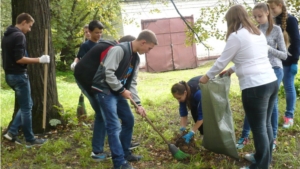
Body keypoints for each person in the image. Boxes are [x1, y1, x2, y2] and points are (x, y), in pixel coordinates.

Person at [199, 5, 278, 169]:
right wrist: (232, 70)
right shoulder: (257, 33)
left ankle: (261, 166)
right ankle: (262, 157)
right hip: (271, 81)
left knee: (258, 127)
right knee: (267, 124)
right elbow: (251, 57)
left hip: (255, 87)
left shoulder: (236, 36)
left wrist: (206, 77)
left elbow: (222, 60)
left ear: (232, 21)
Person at [92, 29, 158, 169]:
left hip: (118, 91)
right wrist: (122, 90)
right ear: (143, 42)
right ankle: (119, 162)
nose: (149, 51)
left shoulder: (136, 58)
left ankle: (126, 153)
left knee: (129, 120)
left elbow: (132, 82)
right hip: (105, 90)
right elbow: (107, 73)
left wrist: (138, 104)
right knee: (114, 126)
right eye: (149, 48)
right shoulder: (119, 50)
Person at [74, 35, 137, 161]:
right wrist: (99, 93)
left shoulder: (121, 50)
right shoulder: (112, 49)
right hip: (86, 79)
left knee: (105, 115)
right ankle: (97, 152)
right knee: (102, 114)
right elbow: (105, 72)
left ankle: (123, 147)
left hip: (100, 81)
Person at [236, 2, 287, 150]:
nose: (257, 19)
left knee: (272, 105)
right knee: (253, 105)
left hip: (275, 69)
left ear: (267, 14)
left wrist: (268, 48)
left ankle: (273, 139)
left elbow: (284, 55)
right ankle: (244, 136)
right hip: (259, 71)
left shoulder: (276, 30)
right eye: (255, 17)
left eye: (260, 16)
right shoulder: (255, 31)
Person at [1, 13, 49, 147]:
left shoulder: (7, 35)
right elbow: (19, 58)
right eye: (29, 26)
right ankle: (30, 139)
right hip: (19, 76)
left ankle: (12, 132)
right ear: (23, 22)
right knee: (27, 107)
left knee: (27, 105)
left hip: (10, 76)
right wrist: (40, 60)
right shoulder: (19, 36)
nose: (30, 29)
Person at [267, 0, 300, 129]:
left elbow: (297, 41)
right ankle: (273, 116)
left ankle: (289, 116)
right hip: (275, 61)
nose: (271, 11)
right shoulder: (272, 21)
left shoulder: (291, 20)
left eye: (273, 8)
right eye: (269, 9)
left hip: (288, 61)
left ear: (280, 6)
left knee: (288, 87)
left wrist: (295, 61)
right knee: (273, 89)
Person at [171, 76, 204, 143]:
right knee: (194, 112)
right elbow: (183, 113)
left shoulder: (198, 94)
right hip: (194, 95)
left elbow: (202, 116)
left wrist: (192, 132)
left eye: (179, 98)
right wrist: (182, 129)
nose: (178, 101)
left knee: (207, 116)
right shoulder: (182, 92)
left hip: (210, 90)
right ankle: (203, 134)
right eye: (176, 98)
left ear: (185, 93)